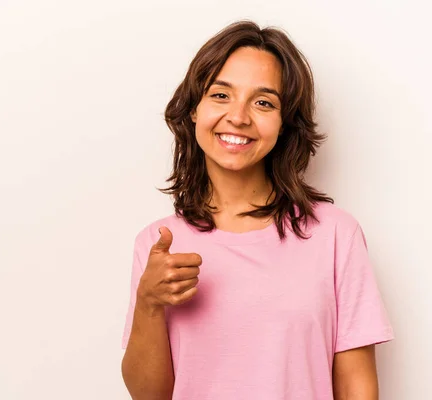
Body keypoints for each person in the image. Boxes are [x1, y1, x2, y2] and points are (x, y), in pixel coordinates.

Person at [120, 20, 394, 400]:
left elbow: (356, 384)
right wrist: (148, 304)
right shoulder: (157, 245)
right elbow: (150, 396)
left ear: (284, 124)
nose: (239, 116)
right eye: (220, 95)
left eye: (263, 102)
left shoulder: (335, 235)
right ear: (194, 110)